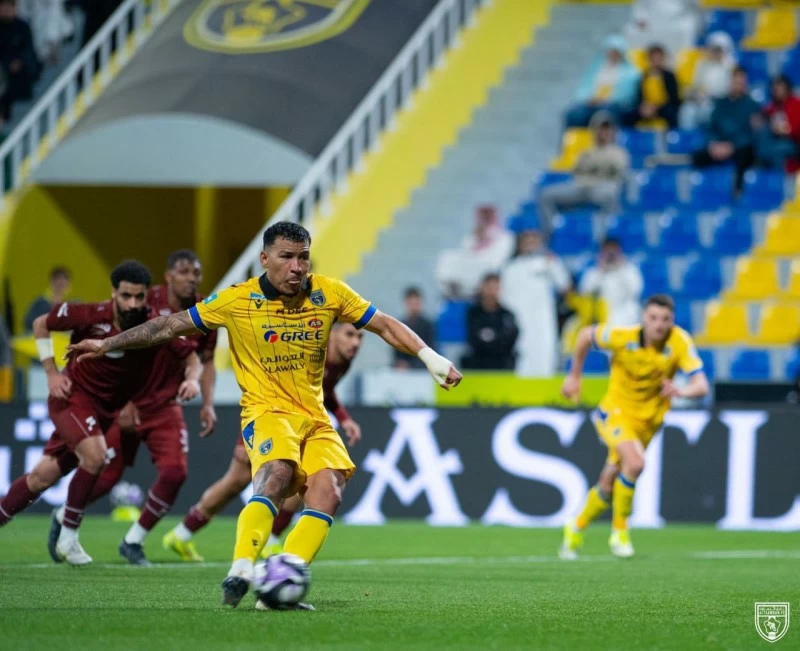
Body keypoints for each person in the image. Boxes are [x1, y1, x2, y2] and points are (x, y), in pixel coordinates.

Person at [67, 221, 462, 610]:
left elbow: (385, 325)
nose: (297, 267)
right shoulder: (236, 300)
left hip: (314, 415)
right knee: (277, 473)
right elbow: (169, 325)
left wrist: (431, 358)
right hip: (266, 410)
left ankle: (280, 582)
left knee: (331, 489)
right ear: (265, 259)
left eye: (303, 257)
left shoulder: (329, 293)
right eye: (287, 257)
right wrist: (108, 344)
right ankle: (241, 568)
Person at [0, 261, 199, 566]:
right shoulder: (89, 314)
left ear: (147, 296)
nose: (133, 303)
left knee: (42, 477)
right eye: (126, 296)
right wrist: (52, 373)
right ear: (113, 294)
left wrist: (191, 379)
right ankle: (68, 536)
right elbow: (42, 323)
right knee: (95, 456)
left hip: (105, 411)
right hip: (72, 399)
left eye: (139, 296)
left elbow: (191, 356)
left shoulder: (152, 323)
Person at [46, 250, 218, 566]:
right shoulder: (143, 298)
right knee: (106, 476)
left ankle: (133, 540)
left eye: (196, 272)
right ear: (168, 275)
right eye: (183, 271)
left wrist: (207, 402)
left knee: (175, 472)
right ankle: (65, 514)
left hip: (165, 406)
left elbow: (204, 362)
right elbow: (111, 338)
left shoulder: (207, 311)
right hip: (129, 403)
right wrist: (121, 401)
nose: (191, 277)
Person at [162, 321, 365, 563]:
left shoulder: (342, 361)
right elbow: (266, 389)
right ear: (331, 334)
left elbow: (323, 391)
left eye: (361, 337)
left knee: (291, 478)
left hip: (295, 424)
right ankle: (259, 545)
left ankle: (186, 534)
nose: (355, 343)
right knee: (237, 481)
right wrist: (244, 437)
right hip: (268, 420)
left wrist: (344, 418)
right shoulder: (311, 351)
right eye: (350, 334)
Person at [560, 294, 709, 559]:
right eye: (653, 318)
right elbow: (584, 335)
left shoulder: (679, 341)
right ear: (643, 318)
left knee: (608, 483)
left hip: (648, 423)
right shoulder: (622, 336)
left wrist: (681, 391)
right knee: (636, 463)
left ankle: (575, 527)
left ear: (672, 321)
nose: (659, 325)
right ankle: (620, 532)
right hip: (614, 413)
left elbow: (701, 385)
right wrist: (574, 376)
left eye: (665, 319)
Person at [539, 112, 629, 235]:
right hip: (581, 188)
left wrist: (595, 165)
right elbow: (576, 172)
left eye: (606, 128)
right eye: (600, 128)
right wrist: (598, 166)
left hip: (603, 189)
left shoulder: (619, 152)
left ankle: (608, 237)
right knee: (546, 195)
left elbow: (617, 169)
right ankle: (551, 236)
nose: (603, 132)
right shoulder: (585, 151)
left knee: (612, 196)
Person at [500, 231, 571, 377]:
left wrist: (553, 263)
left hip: (542, 320)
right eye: (527, 240)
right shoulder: (510, 267)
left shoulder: (548, 263)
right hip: (518, 321)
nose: (531, 244)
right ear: (519, 244)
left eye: (535, 240)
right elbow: (503, 297)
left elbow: (565, 286)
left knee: (544, 353)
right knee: (521, 357)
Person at [692, 67, 760, 194]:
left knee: (748, 154)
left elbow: (752, 133)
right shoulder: (720, 103)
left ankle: (738, 192)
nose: (738, 85)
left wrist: (732, 146)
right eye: (735, 81)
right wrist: (713, 144)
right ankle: (704, 192)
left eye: (741, 82)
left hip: (740, 147)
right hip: (719, 145)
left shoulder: (752, 106)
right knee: (698, 157)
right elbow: (711, 127)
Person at [435, 205, 515, 299]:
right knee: (447, 256)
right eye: (482, 216)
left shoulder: (505, 237)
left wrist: (486, 240)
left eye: (487, 216)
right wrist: (478, 239)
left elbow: (497, 260)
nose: (484, 219)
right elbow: (464, 254)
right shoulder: (471, 237)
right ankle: (453, 289)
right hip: (470, 270)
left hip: (488, 270)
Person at [564, 35, 640, 129]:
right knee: (574, 114)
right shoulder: (595, 69)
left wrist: (605, 101)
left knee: (607, 114)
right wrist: (588, 99)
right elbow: (583, 89)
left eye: (615, 52)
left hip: (613, 106)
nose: (612, 54)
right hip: (592, 105)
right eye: (610, 51)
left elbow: (627, 96)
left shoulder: (631, 72)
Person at [579, 238, 643, 327]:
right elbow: (585, 293)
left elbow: (636, 291)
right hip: (602, 317)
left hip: (627, 316)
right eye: (607, 253)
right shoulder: (593, 273)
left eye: (613, 253)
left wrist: (620, 268)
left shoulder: (630, 270)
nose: (610, 256)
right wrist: (601, 271)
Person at [679, 32, 736, 130]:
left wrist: (709, 96)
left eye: (718, 50)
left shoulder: (730, 66)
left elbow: (728, 90)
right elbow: (696, 84)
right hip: (701, 100)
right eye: (713, 49)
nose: (715, 52)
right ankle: (688, 140)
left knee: (709, 111)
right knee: (687, 110)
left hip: (720, 102)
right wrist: (695, 94)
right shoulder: (702, 64)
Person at [461, 274, 518, 370]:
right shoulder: (473, 313)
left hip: (502, 363)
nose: (492, 292)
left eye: (495, 288)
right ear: (482, 288)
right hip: (478, 362)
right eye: (489, 287)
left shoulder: (507, 315)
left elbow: (510, 340)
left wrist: (490, 337)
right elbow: (474, 339)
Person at [623, 44, 680, 129]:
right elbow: (639, 96)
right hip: (646, 107)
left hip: (663, 108)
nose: (656, 61)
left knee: (671, 113)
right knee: (627, 116)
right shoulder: (643, 76)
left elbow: (674, 98)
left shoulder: (669, 76)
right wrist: (643, 107)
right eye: (653, 58)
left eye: (659, 58)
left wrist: (656, 108)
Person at [0, 0, 41, 111]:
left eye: (9, 6)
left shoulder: (22, 27)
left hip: (21, 73)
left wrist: (19, 61)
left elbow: (29, 50)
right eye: (3, 6)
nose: (5, 10)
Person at [754, 75, 800, 172]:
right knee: (762, 137)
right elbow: (763, 120)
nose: (776, 90)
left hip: (793, 142)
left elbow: (796, 129)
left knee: (777, 151)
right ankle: (760, 175)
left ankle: (778, 180)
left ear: (787, 88)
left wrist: (787, 130)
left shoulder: (796, 104)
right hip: (774, 140)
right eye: (774, 88)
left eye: (779, 87)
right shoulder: (771, 107)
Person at [623, 0, 702, 55]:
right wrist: (641, 19)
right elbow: (640, 6)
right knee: (631, 30)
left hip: (678, 20)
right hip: (653, 21)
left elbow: (694, 7)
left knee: (688, 27)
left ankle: (684, 61)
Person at [16, 0, 73, 64]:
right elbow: (23, 12)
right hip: (33, 25)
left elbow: (55, 10)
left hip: (55, 31)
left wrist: (52, 42)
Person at [393, 287, 436, 370]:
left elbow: (430, 348)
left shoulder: (428, 325)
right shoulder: (400, 324)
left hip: (422, 367)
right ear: (406, 303)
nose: (414, 307)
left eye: (416, 303)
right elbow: (397, 349)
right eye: (411, 303)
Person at [24, 266, 72, 331]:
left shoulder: (73, 305)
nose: (61, 281)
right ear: (51, 281)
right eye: (57, 278)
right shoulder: (40, 304)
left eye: (64, 278)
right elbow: (28, 323)